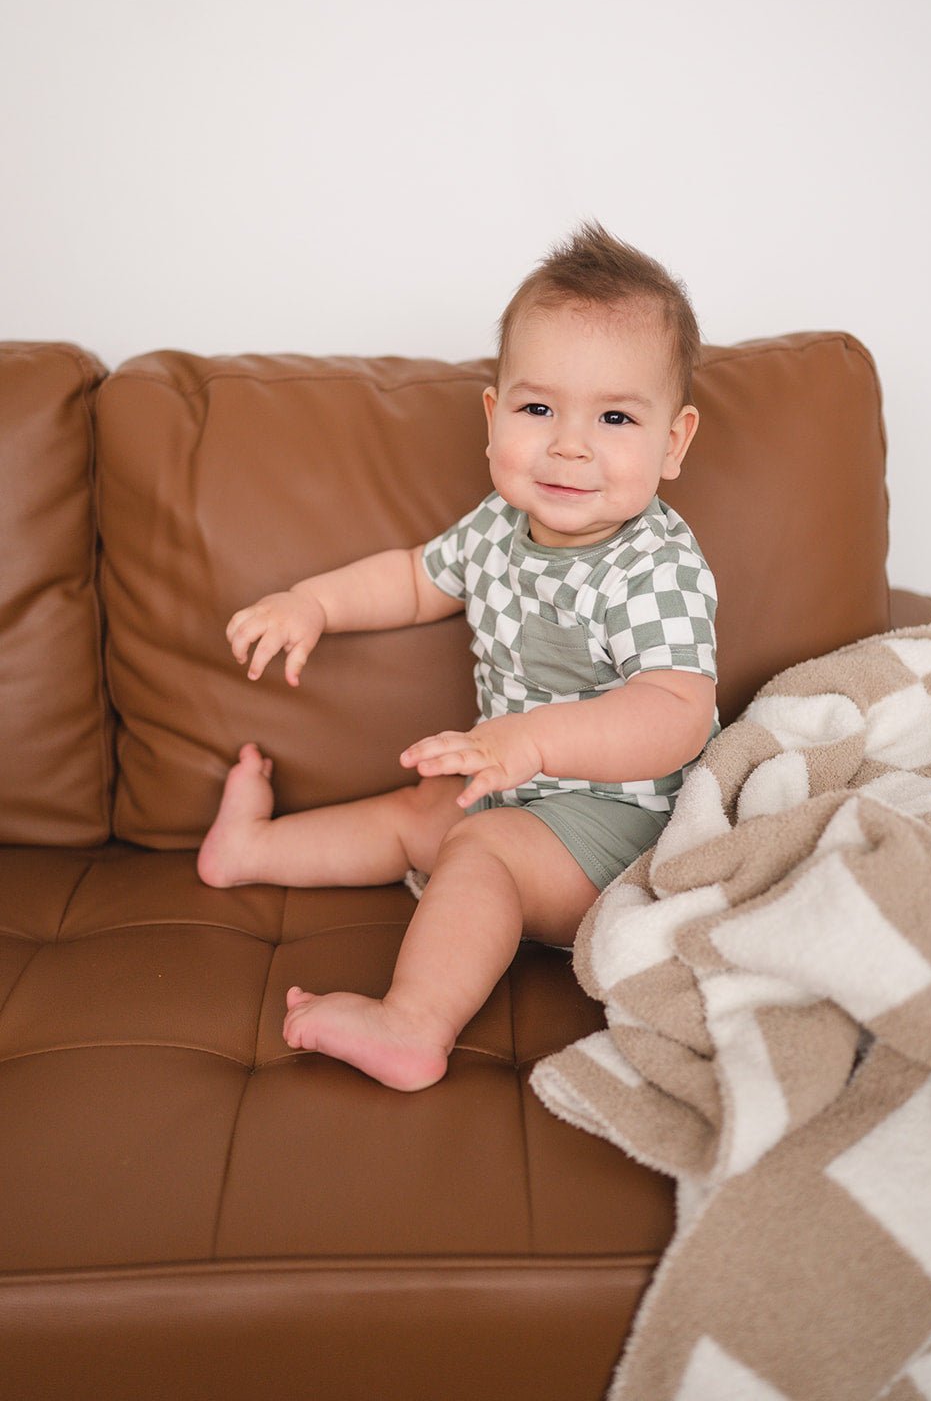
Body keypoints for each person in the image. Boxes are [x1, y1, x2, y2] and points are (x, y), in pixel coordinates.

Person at [198, 222, 718, 1090]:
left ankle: (412, 1023)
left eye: (615, 417)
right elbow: (413, 578)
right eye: (537, 409)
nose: (569, 444)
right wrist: (313, 603)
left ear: (673, 442)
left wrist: (532, 742)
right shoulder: (498, 526)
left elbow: (676, 713)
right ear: (493, 416)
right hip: (513, 786)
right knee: (418, 815)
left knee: (480, 850)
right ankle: (249, 851)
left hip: (619, 833)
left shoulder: (654, 566)